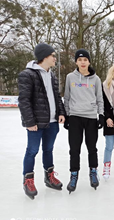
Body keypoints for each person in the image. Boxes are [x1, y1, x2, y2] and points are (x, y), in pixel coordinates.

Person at [18, 43, 65, 200]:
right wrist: (29, 122)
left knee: (48, 149)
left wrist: (61, 112)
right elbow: (24, 100)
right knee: (32, 151)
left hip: (52, 121)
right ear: (44, 56)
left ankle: (49, 176)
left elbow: (57, 97)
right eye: (52, 55)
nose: (54, 58)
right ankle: (28, 180)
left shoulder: (52, 75)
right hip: (36, 123)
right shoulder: (27, 75)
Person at [63, 49, 104, 193]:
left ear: (89, 62)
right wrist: (67, 116)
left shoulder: (96, 79)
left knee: (92, 148)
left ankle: (93, 172)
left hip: (91, 117)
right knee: (74, 149)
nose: (82, 62)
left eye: (85, 60)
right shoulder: (70, 77)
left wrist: (101, 115)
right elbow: (66, 98)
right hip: (75, 117)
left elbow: (100, 98)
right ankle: (74, 175)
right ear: (76, 62)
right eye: (80, 60)